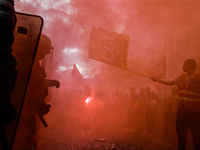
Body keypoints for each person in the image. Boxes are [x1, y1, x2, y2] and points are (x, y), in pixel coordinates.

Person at [13, 34, 60, 150]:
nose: (45, 55)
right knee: (26, 140)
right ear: (38, 49)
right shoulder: (30, 64)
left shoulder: (30, 62)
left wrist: (50, 82)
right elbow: (33, 87)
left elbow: (37, 83)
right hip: (24, 110)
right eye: (44, 51)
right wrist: (41, 105)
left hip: (24, 108)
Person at [151, 59, 200, 150]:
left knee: (196, 137)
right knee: (181, 136)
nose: (182, 66)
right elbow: (170, 83)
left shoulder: (198, 78)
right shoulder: (181, 77)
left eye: (184, 64)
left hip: (194, 112)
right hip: (181, 110)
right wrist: (157, 80)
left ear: (190, 66)